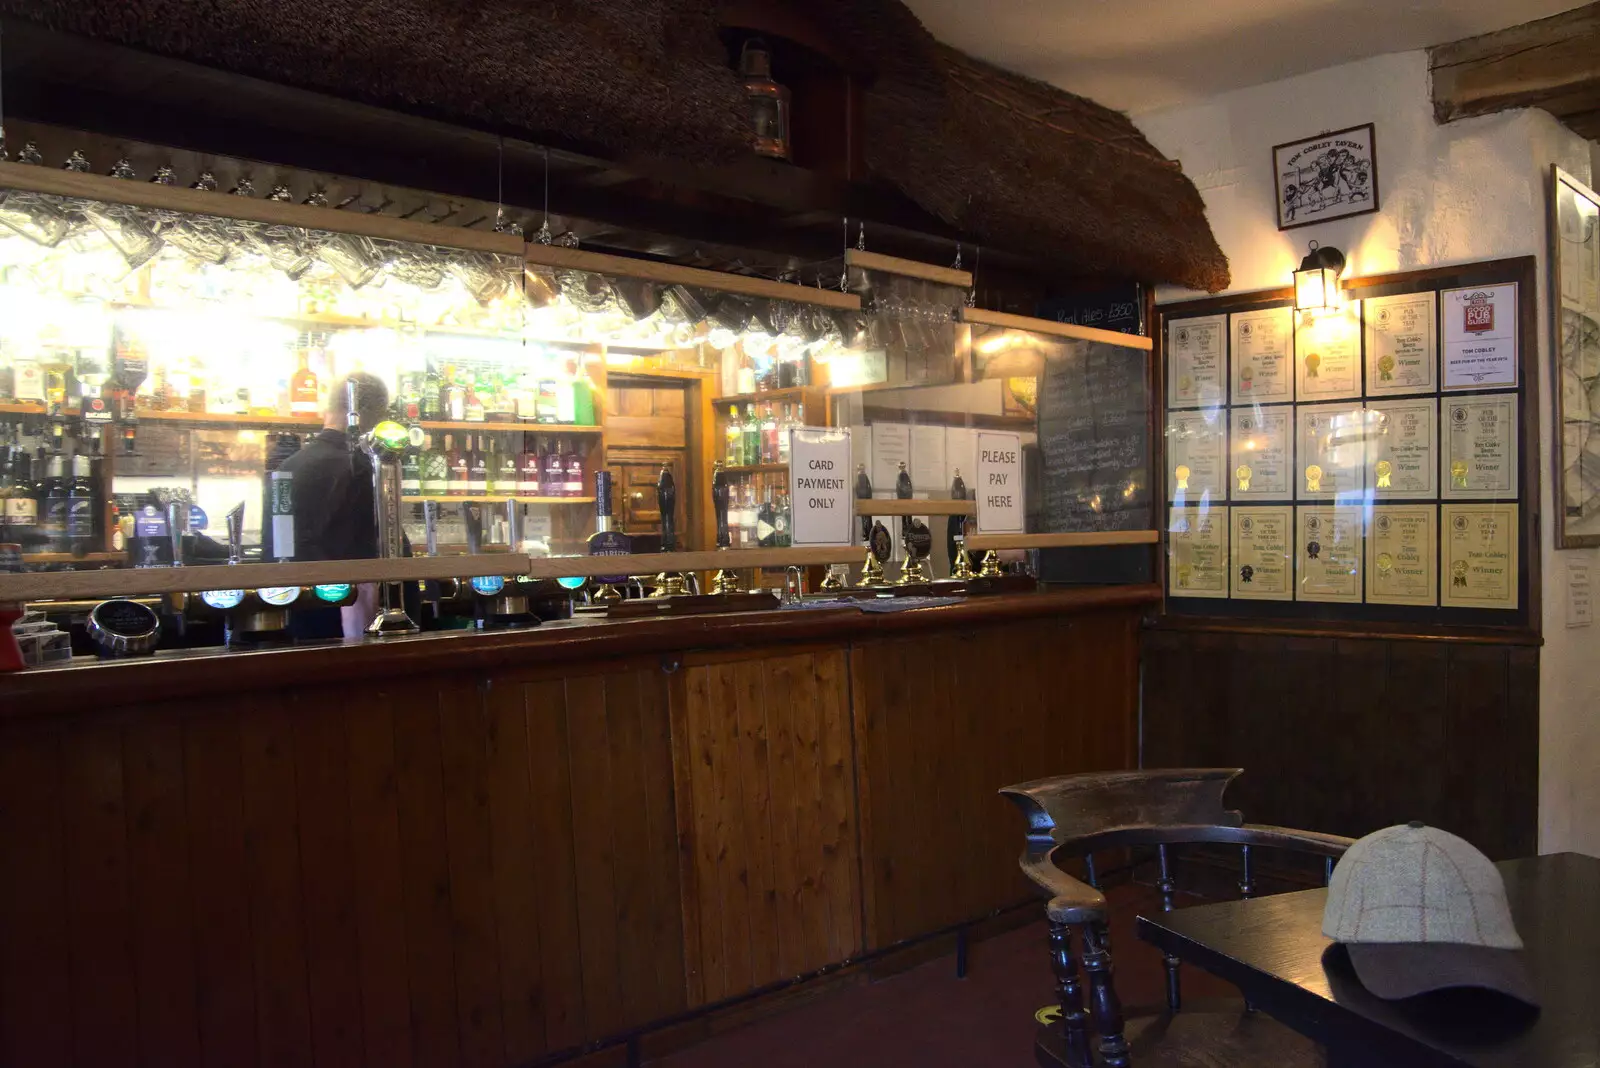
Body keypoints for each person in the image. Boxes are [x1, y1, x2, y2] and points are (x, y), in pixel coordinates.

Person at [278, 371, 388, 638]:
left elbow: (278, 552)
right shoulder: (361, 468)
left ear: (328, 407)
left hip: (295, 621)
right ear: (374, 416)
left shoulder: (287, 467)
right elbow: (375, 561)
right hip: (350, 629)